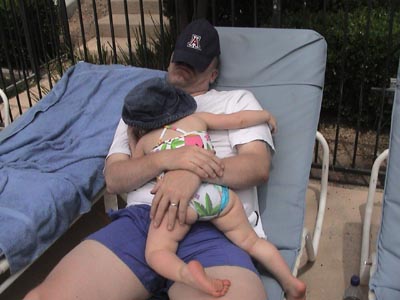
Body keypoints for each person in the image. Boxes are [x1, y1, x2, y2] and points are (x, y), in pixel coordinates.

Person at [23, 19, 306, 300]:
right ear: (170, 60)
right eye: (180, 59)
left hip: (214, 227)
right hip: (143, 221)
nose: (183, 66)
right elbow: (114, 178)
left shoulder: (236, 101)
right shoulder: (142, 108)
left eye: (195, 62)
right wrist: (167, 160)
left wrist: (192, 172)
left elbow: (257, 167)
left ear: (213, 73)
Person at [122, 76, 306, 299]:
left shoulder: (146, 141)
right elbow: (238, 120)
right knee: (252, 242)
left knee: (156, 252)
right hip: (216, 196)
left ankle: (185, 273)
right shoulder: (197, 120)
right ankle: (290, 282)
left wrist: (134, 141)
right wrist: (264, 115)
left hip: (181, 202)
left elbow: (135, 168)